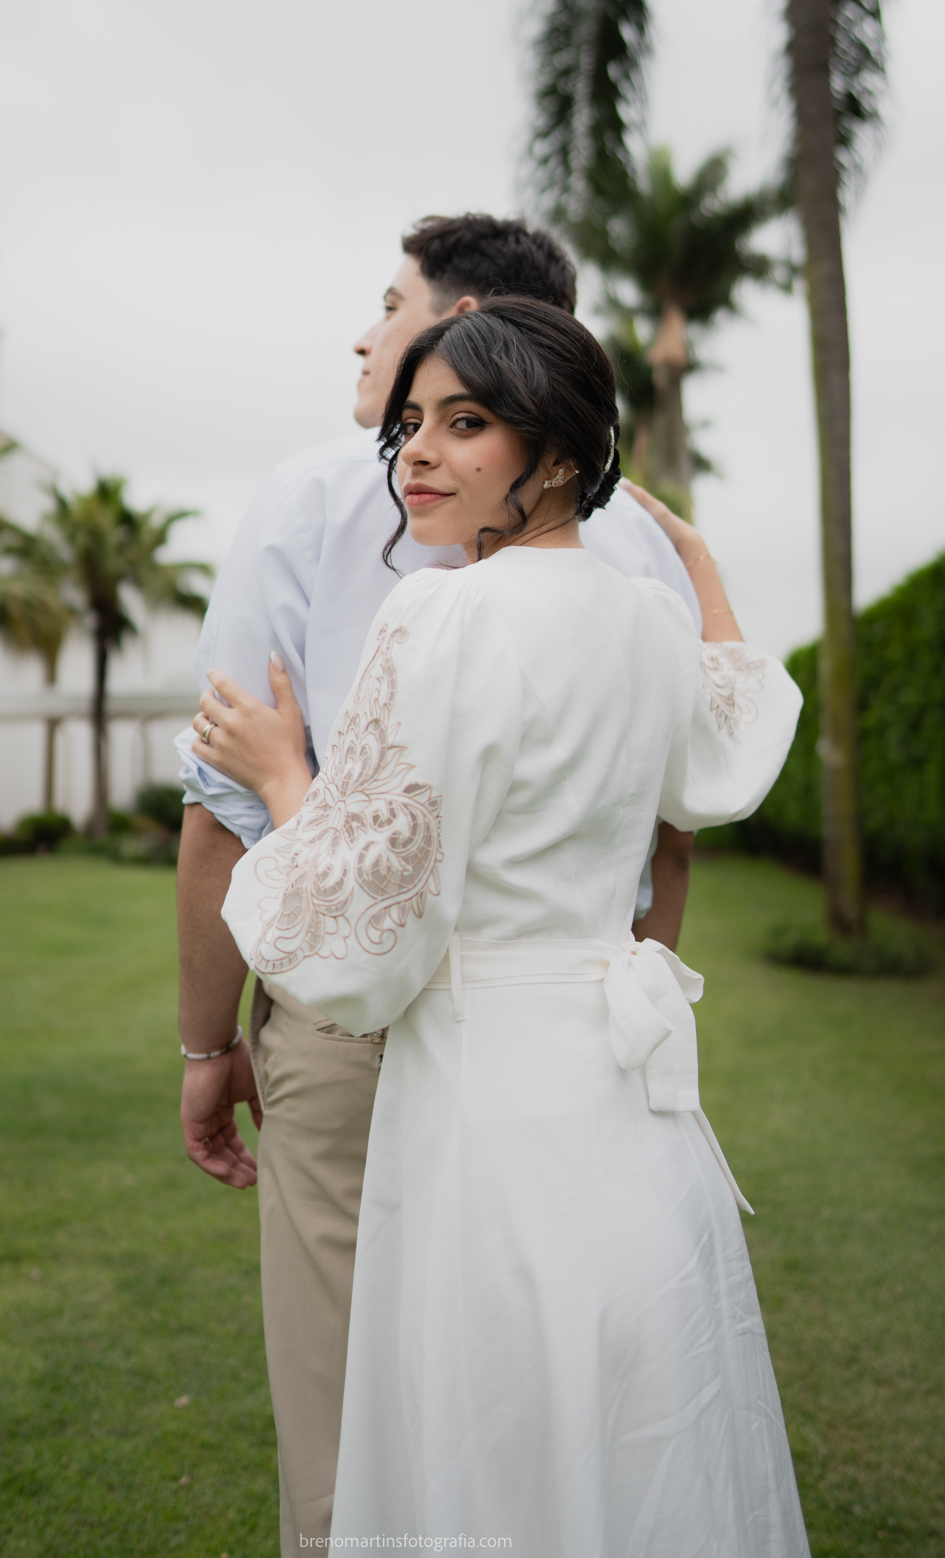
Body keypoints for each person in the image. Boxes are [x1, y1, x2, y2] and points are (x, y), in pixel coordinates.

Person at [194, 297, 809, 1555]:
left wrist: (280, 781)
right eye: (412, 423)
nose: (416, 451)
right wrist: (698, 566)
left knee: (489, 1449)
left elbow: (369, 929)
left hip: (488, 1101)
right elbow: (725, 760)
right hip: (628, 1111)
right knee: (629, 1434)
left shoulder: (442, 614)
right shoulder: (645, 621)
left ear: (561, 455)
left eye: (465, 423)